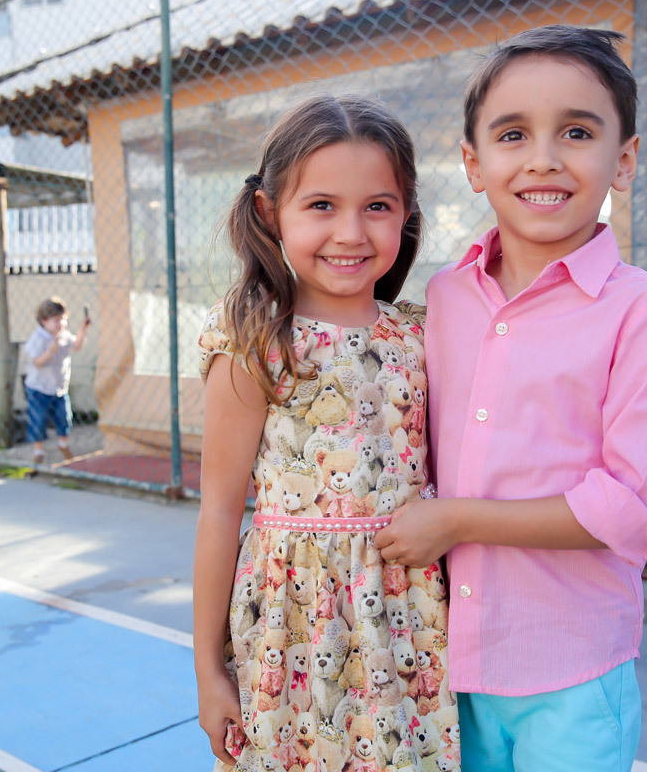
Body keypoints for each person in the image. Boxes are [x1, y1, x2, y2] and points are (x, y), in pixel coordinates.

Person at [374, 25, 647, 771]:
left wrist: (455, 520)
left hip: (571, 666)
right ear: (473, 163)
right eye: (513, 134)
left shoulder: (645, 311)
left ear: (624, 160)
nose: (544, 158)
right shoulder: (446, 297)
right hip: (444, 656)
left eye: (577, 132)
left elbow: (631, 510)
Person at [193, 94, 457, 772]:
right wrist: (207, 669)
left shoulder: (422, 335)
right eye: (321, 206)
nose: (351, 232)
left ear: (406, 213)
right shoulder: (255, 342)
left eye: (377, 206)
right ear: (268, 212)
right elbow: (219, 510)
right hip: (292, 627)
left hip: (408, 617)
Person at [22, 296, 89, 464]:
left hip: (59, 388)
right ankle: (38, 451)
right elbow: (36, 362)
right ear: (44, 321)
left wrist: (83, 329)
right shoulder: (39, 338)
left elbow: (77, 345)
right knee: (38, 420)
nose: (61, 324)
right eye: (56, 320)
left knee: (64, 418)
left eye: (63, 319)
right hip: (39, 389)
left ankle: (63, 444)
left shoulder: (63, 335)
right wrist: (50, 352)